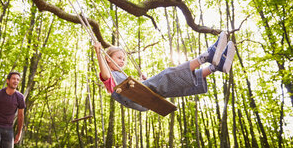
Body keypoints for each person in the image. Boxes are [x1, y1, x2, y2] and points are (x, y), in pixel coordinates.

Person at [94, 31, 235, 112]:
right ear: (108, 59)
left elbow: (134, 87)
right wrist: (99, 53)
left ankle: (215, 67)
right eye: (119, 58)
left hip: (138, 98)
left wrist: (142, 82)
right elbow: (105, 75)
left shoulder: (123, 78)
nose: (122, 61)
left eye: (124, 59)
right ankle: (206, 57)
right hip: (129, 96)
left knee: (176, 86)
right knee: (167, 75)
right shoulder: (110, 75)